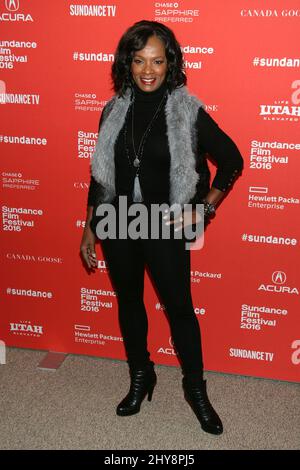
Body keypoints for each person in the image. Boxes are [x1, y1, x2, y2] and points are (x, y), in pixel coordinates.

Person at [80, 20, 243, 436]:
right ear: (127, 63)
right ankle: (141, 376)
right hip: (118, 223)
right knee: (130, 303)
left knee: (181, 311)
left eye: (157, 60)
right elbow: (102, 175)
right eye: (139, 60)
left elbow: (232, 161)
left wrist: (203, 210)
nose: (147, 70)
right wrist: (89, 228)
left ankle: (196, 390)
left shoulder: (186, 111)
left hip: (165, 225)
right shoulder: (114, 109)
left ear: (170, 63)